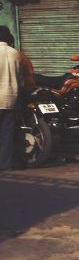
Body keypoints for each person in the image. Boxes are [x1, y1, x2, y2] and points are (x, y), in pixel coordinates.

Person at [0, 26, 24, 172]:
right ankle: (6, 164)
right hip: (11, 98)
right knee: (6, 134)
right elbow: (20, 77)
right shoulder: (15, 53)